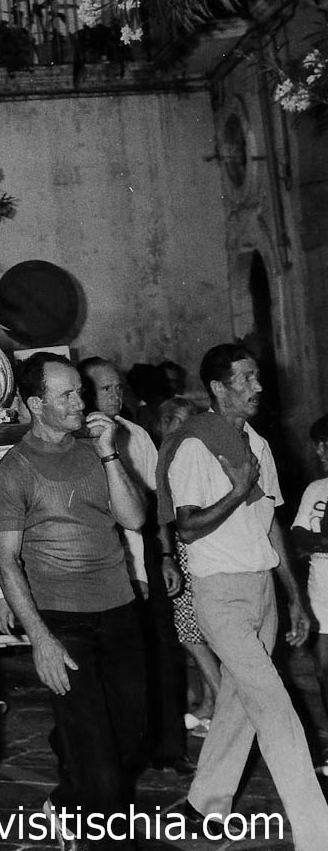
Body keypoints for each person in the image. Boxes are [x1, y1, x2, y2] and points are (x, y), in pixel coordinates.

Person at [158, 343, 328, 848]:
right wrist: (236, 490)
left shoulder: (256, 442)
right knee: (274, 705)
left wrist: (293, 597)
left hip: (262, 589)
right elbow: (187, 527)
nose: (258, 387)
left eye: (257, 377)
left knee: (238, 698)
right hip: (220, 593)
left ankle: (203, 803)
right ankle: (317, 831)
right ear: (218, 387)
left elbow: (270, 520)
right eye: (247, 378)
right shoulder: (195, 446)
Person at [0, 353, 146, 846]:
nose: (82, 401)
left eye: (81, 391)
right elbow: (6, 561)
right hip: (62, 619)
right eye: (68, 394)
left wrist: (109, 453)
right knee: (100, 764)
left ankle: (65, 804)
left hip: (119, 608)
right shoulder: (14, 470)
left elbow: (135, 518)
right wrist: (40, 640)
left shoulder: (94, 450)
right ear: (36, 404)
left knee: (132, 735)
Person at [78, 357, 189, 776]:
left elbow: (157, 502)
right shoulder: (75, 439)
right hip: (101, 560)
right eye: (105, 389)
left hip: (145, 554)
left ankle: (168, 747)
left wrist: (165, 556)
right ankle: (120, 751)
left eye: (117, 388)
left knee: (160, 649)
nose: (115, 395)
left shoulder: (135, 434)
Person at [154, 396, 220, 741]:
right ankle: (209, 705)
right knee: (198, 632)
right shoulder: (174, 453)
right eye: (178, 421)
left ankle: (224, 705)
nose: (183, 428)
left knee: (190, 634)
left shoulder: (183, 454)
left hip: (191, 549)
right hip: (190, 548)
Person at [290, 413, 328, 775]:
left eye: (326, 445)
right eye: (318, 446)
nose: (321, 453)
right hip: (321, 595)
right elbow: (299, 535)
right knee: (324, 669)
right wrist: (320, 541)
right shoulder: (316, 489)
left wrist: (317, 542)